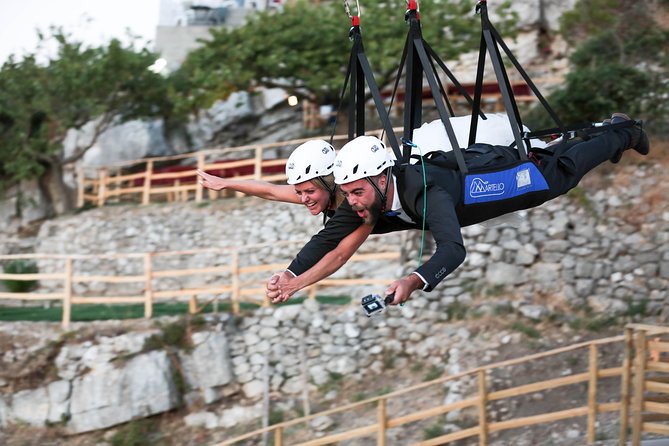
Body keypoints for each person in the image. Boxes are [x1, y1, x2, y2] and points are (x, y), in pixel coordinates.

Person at [267, 113, 650, 305]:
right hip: (467, 170)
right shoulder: (364, 197)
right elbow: (329, 241)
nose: (351, 204)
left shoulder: (424, 193)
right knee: (555, 155)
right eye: (347, 194)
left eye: (356, 193)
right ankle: (603, 130)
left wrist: (414, 280)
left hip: (498, 180)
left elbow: (453, 249)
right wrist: (290, 274)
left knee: (561, 173)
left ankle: (624, 133)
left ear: (382, 179)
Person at [197, 140, 374, 285]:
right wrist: (226, 183)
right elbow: (271, 191)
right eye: (299, 192)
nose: (303, 199)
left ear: (330, 183)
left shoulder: (358, 205)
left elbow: (338, 252)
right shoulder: (320, 194)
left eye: (310, 192)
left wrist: (291, 279)